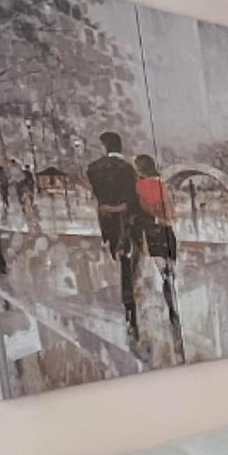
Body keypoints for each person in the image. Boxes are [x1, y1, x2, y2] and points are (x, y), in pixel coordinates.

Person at [84, 130, 143, 348]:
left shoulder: (93, 169)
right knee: (129, 267)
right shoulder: (129, 170)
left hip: (108, 222)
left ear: (104, 147)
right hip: (127, 222)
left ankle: (127, 312)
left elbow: (98, 196)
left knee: (120, 265)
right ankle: (131, 314)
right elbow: (133, 201)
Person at [133, 154, 185, 358]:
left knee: (161, 273)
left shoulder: (138, 188)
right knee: (170, 273)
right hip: (168, 234)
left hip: (152, 234)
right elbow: (171, 215)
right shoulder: (163, 186)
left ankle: (169, 312)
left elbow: (139, 213)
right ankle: (175, 311)